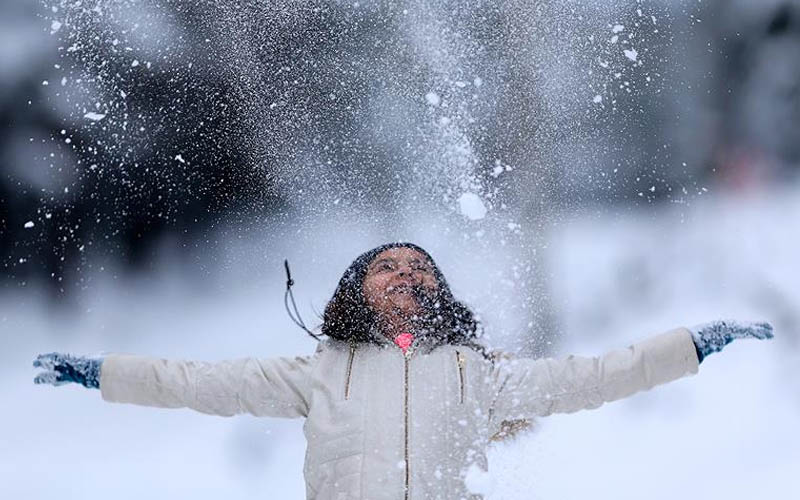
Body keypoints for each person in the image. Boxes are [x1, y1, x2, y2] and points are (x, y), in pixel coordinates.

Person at [33, 242, 773, 500]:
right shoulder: (318, 372)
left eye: (420, 267)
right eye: (385, 266)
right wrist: (101, 372)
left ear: (439, 292)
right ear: (357, 289)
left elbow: (595, 375)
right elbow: (196, 381)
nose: (404, 274)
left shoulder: (478, 375)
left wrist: (692, 345)